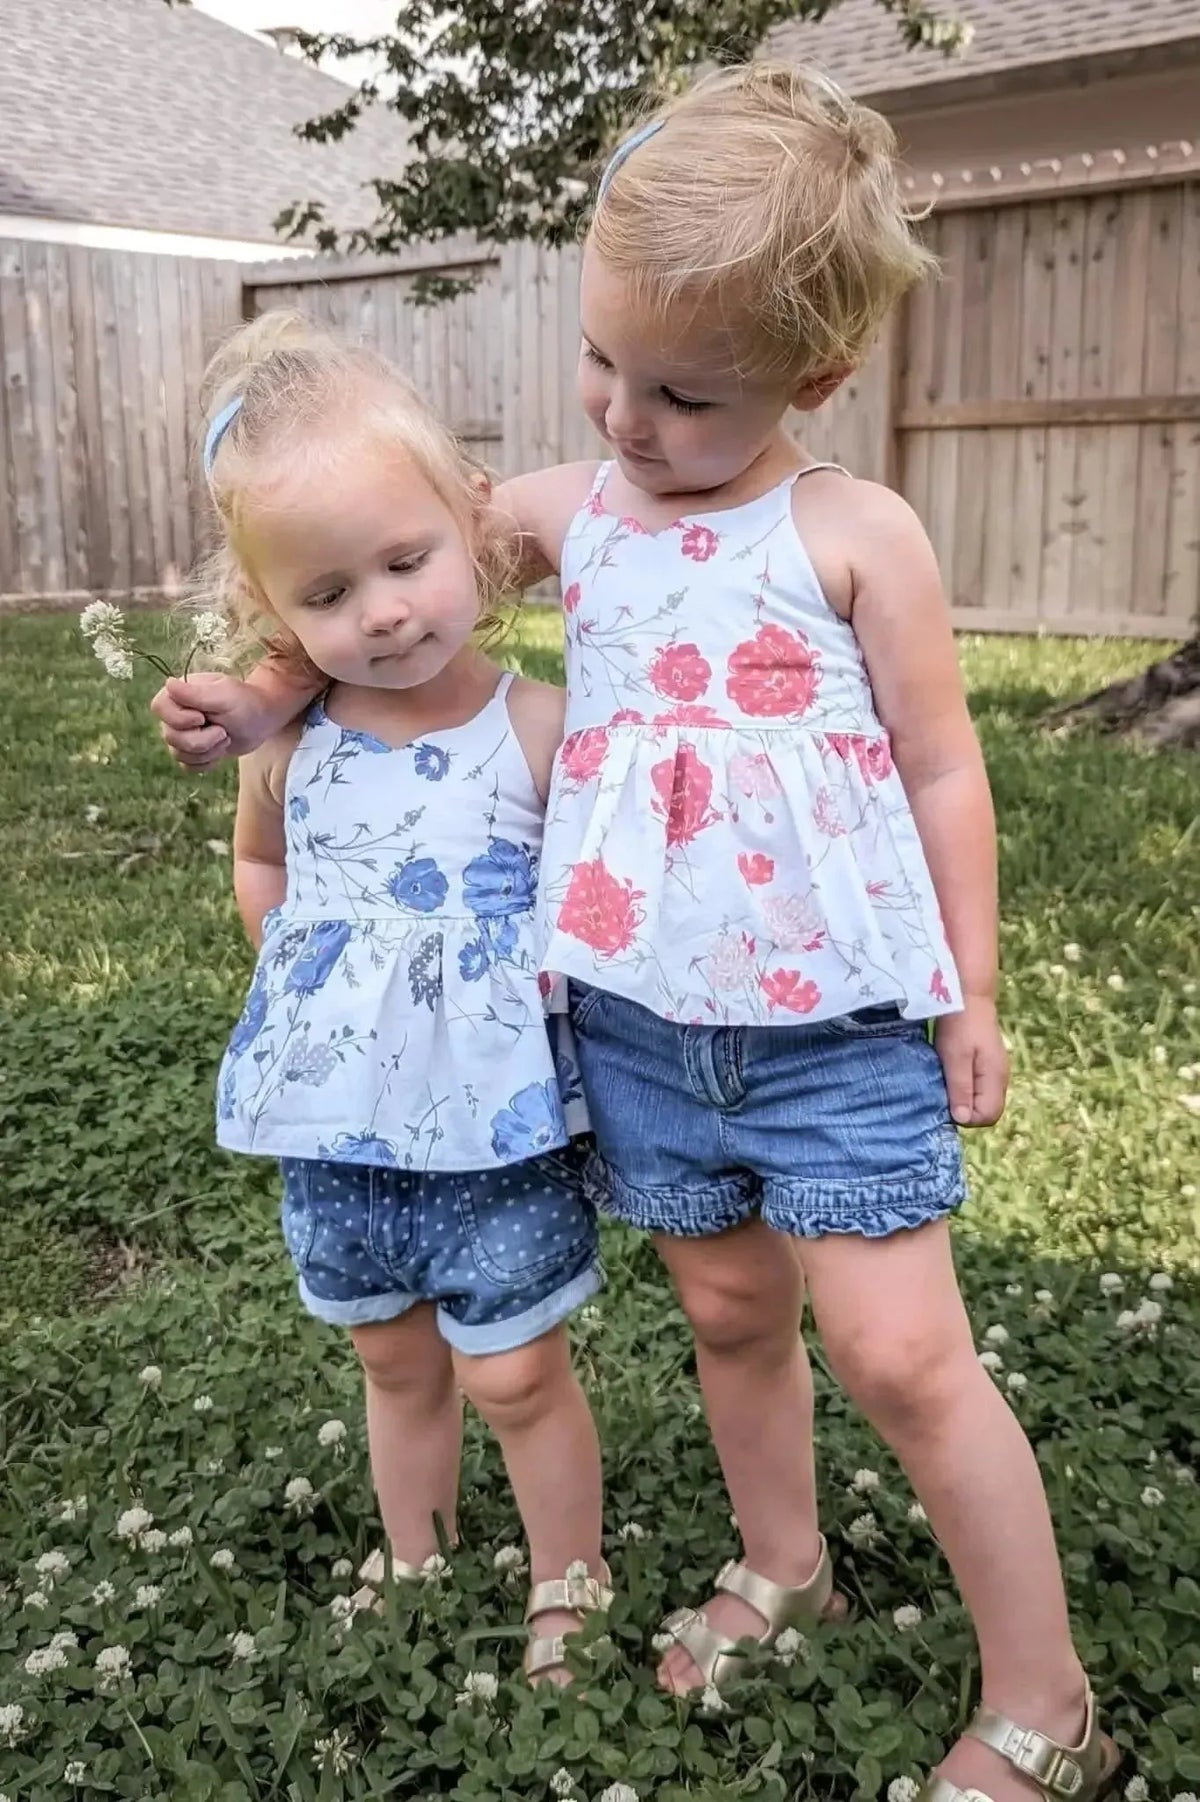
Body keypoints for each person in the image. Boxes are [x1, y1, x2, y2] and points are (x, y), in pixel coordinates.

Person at [154, 62, 1118, 1801]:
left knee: (903, 1350)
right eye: (603, 364)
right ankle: (786, 1560)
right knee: (734, 1315)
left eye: (679, 391)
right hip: (640, 1031)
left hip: (830, 1034)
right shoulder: (570, 515)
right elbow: (400, 570)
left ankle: (1046, 1694)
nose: (620, 414)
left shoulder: (852, 533)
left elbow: (944, 766)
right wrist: (262, 692)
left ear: (815, 378)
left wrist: (971, 985)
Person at [192, 310, 611, 1683]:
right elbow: (265, 863)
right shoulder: (293, 743)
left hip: (492, 1130)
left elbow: (592, 906)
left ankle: (568, 1582)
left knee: (515, 1372)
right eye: (324, 594)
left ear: (472, 533)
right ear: (273, 617)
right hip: (341, 1130)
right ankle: (417, 1556)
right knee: (392, 1361)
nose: (376, 610)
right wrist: (299, 983)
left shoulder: (537, 725)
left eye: (404, 560)